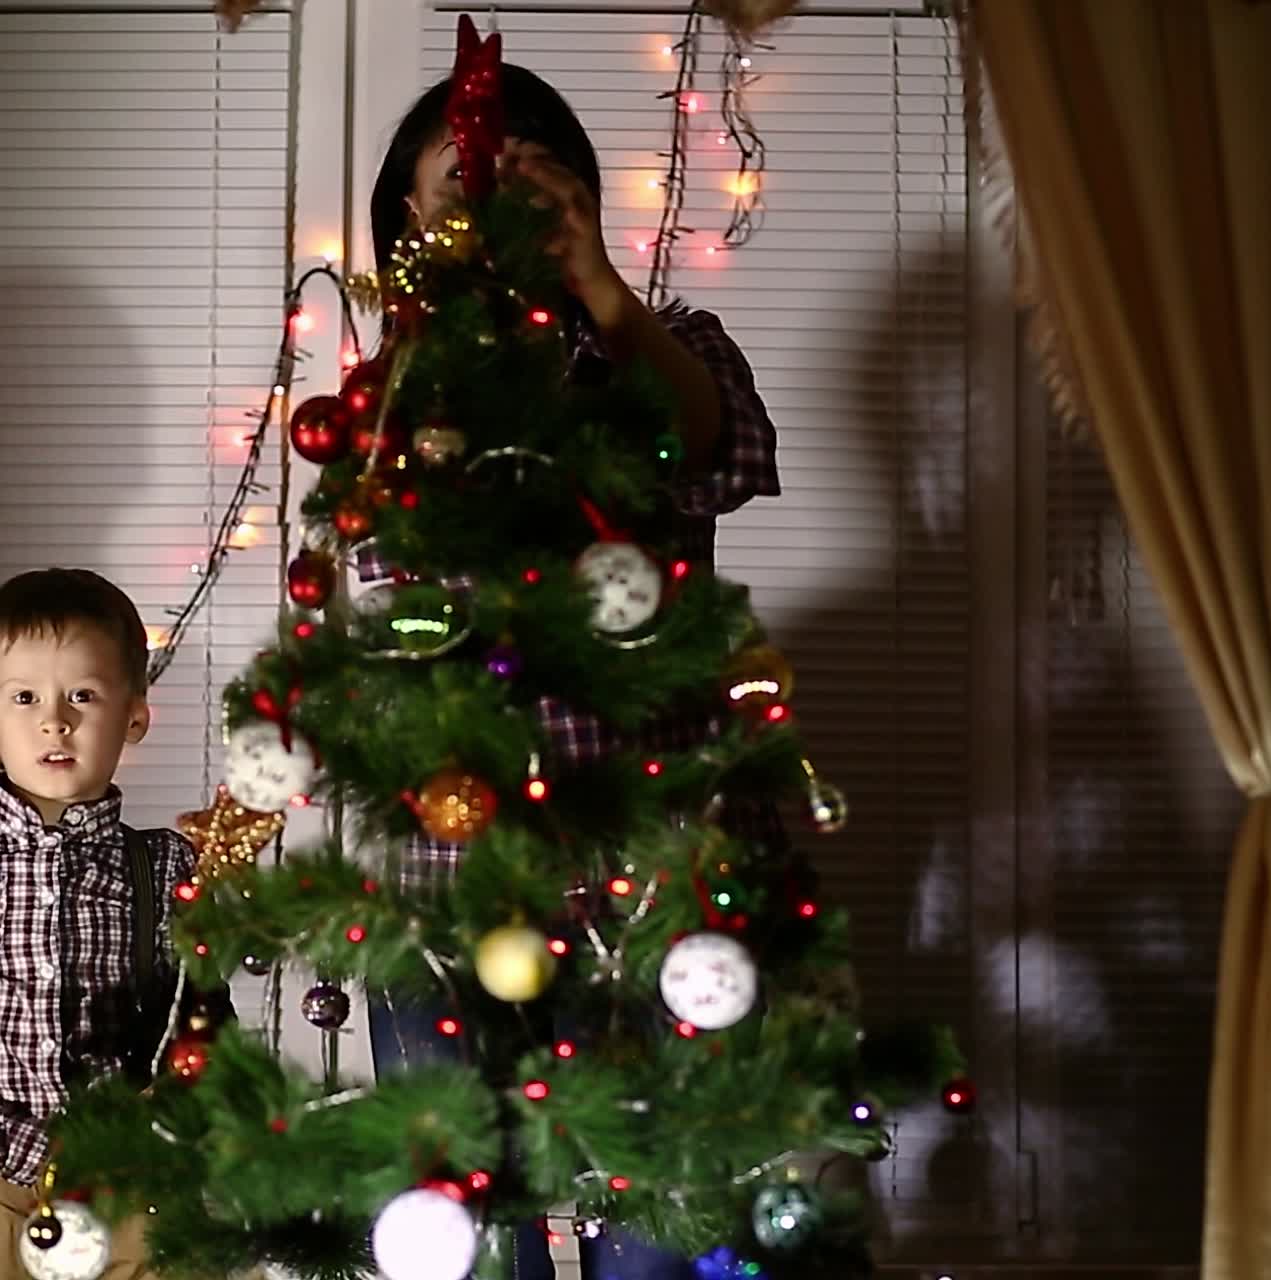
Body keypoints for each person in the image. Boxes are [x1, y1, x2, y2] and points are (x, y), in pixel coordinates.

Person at [365, 63, 784, 1280]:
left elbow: (710, 454)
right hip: (448, 881)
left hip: (659, 868)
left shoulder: (670, 348)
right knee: (464, 1246)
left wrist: (593, 282)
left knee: (668, 1236)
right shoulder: (387, 397)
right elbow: (385, 593)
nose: (496, 195)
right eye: (462, 177)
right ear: (406, 214)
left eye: (530, 173)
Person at [0, 568, 204, 1279]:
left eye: (82, 695)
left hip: (125, 1181)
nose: (54, 720)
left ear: (135, 717)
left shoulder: (164, 865)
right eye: (24, 697)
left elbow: (197, 1020)